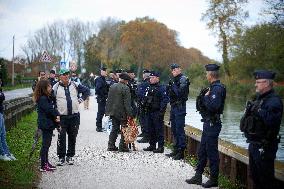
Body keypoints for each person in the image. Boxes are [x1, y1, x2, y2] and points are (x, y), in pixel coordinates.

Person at [240, 70, 283, 189]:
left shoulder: (274, 101)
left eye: (258, 82)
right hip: (254, 145)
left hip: (265, 147)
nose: (255, 84)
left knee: (265, 180)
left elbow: (273, 121)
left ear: (267, 83)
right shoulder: (259, 99)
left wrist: (259, 111)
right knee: (255, 177)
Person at [186, 64, 226, 188]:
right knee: (202, 150)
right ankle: (198, 175)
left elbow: (214, 106)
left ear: (210, 74)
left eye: (206, 73)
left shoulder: (218, 88)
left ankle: (214, 179)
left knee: (211, 151)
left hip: (213, 124)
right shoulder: (213, 87)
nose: (205, 75)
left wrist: (205, 97)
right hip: (208, 123)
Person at [53, 68, 90, 166]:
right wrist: (55, 113)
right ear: (60, 77)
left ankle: (70, 156)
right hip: (62, 117)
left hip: (74, 116)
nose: (65, 76)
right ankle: (61, 157)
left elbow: (87, 91)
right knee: (61, 137)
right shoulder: (55, 87)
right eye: (63, 75)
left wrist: (80, 100)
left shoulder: (75, 84)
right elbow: (51, 101)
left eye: (67, 74)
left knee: (72, 137)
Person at [33, 80, 60, 171]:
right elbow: (50, 110)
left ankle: (46, 162)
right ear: (44, 88)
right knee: (45, 145)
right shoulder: (43, 99)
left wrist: (55, 114)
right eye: (49, 86)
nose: (51, 88)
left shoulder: (46, 97)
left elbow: (52, 106)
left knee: (47, 145)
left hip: (47, 123)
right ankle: (43, 165)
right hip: (45, 124)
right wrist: (57, 115)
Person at [166, 63, 190, 160]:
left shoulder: (183, 79)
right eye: (172, 70)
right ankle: (175, 149)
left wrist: (173, 86)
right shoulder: (174, 80)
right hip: (174, 106)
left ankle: (181, 152)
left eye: (175, 70)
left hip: (180, 107)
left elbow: (180, 93)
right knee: (174, 129)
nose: (174, 71)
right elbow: (170, 94)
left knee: (180, 130)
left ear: (179, 69)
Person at [105, 73, 134, 152]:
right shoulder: (126, 88)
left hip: (113, 112)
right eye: (127, 81)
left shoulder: (112, 86)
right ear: (125, 80)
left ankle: (111, 146)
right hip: (122, 113)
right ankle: (123, 147)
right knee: (124, 129)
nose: (127, 82)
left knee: (114, 128)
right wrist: (130, 114)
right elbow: (127, 104)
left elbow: (109, 100)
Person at [143, 71, 169, 153]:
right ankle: (152, 145)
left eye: (153, 77)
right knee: (150, 129)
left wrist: (161, 112)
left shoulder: (162, 88)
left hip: (157, 112)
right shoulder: (149, 87)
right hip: (149, 111)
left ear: (158, 78)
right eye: (150, 78)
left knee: (159, 130)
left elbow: (164, 100)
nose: (151, 79)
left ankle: (160, 147)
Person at [0, 86, 16, 161]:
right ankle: (2, 153)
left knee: (3, 134)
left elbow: (3, 96)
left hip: (1, 112)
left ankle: (7, 153)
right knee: (0, 134)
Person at [136, 69, 151, 142]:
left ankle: (146, 136)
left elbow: (140, 94)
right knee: (142, 119)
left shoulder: (145, 83)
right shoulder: (147, 83)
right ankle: (144, 133)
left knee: (144, 120)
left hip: (143, 104)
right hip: (144, 104)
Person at [94, 67, 109, 132]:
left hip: (103, 98)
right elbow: (98, 89)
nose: (106, 72)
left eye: (106, 71)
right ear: (102, 72)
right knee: (100, 112)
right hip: (101, 98)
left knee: (101, 112)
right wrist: (103, 95)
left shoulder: (103, 79)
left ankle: (99, 126)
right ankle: (98, 127)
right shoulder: (99, 79)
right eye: (105, 71)